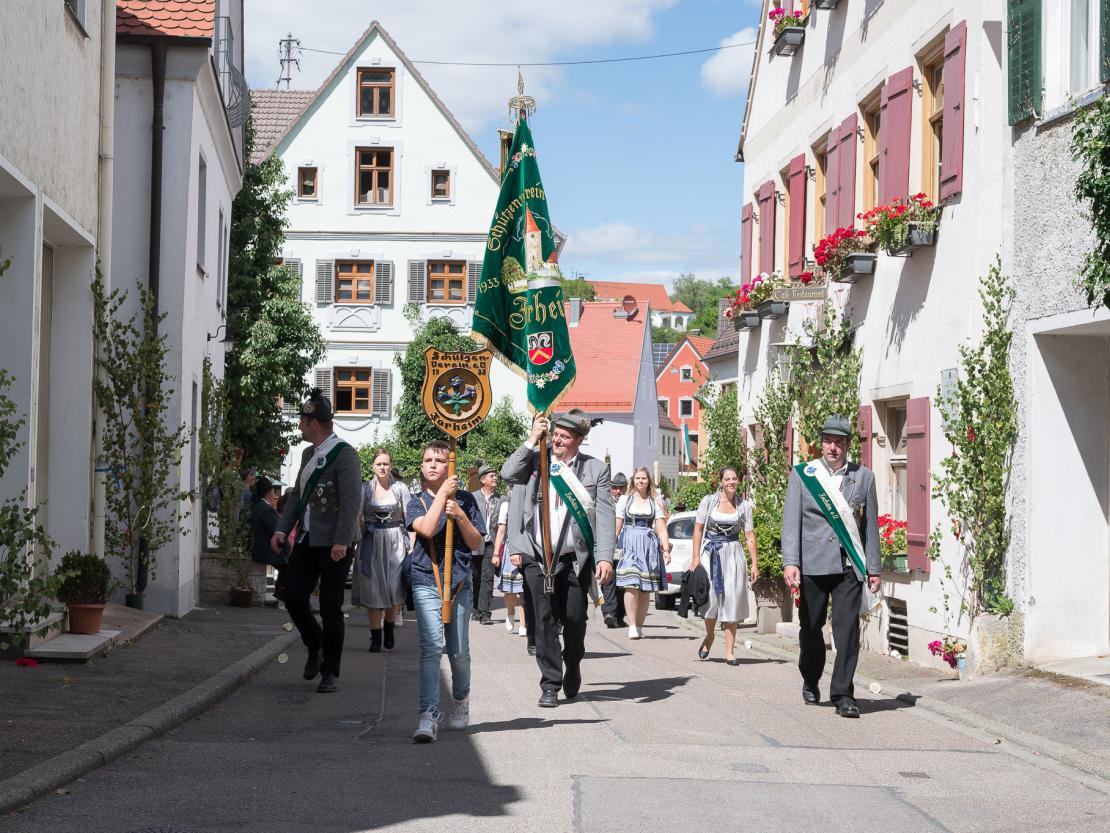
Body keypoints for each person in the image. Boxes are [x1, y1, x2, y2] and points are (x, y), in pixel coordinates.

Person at [501, 409, 616, 708]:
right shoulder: (536, 459)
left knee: (576, 620)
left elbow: (604, 516)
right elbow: (507, 473)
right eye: (556, 435)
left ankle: (573, 662)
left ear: (579, 440)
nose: (558, 440)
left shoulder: (594, 470)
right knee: (544, 621)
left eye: (565, 437)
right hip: (537, 557)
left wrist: (604, 557)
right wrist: (531, 440)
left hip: (574, 558)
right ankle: (550, 683)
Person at [782, 414, 881, 718]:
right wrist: (791, 562)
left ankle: (843, 694)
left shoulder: (864, 478)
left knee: (847, 630)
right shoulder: (803, 475)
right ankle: (811, 677)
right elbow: (792, 522)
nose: (833, 447)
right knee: (811, 628)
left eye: (839, 442)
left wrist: (874, 568)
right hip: (812, 564)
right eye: (828, 441)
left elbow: (870, 527)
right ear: (821, 443)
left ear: (848, 445)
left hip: (848, 565)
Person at [271, 389, 362, 694]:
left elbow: (351, 502)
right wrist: (282, 529)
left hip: (335, 542)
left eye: (302, 419)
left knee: (330, 606)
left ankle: (330, 671)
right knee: (293, 597)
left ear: (313, 423)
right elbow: (297, 496)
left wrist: (342, 541)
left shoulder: (345, 454)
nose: (299, 424)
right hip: (309, 538)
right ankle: (315, 643)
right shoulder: (309, 455)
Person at [406, 440, 486, 743]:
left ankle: (462, 699)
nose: (432, 465)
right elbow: (425, 529)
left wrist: (460, 516)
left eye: (439, 461)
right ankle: (428, 715)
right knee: (430, 648)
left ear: (449, 466)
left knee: (459, 651)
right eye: (427, 460)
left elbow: (476, 543)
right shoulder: (416, 501)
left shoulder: (465, 500)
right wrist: (441, 496)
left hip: (460, 582)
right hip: (427, 578)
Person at [689, 466, 759, 666]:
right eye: (727, 479)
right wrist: (695, 558)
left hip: (734, 554)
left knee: (732, 601)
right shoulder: (708, 502)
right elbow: (698, 530)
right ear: (720, 481)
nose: (731, 482)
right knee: (711, 600)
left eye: (734, 479)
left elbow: (750, 536)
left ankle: (729, 652)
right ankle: (710, 636)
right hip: (711, 553)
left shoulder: (744, 506)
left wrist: (754, 564)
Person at [353, 449, 410, 652]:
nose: (383, 467)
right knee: (372, 589)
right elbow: (357, 516)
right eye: (379, 464)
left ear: (391, 465)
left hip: (395, 540)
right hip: (371, 541)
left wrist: (410, 546)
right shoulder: (365, 489)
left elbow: (408, 519)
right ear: (373, 467)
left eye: (386, 463)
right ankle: (376, 636)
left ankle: (389, 626)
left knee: (394, 587)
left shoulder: (401, 488)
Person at [614, 467, 671, 639]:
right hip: (630, 544)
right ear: (633, 480)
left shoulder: (654, 503)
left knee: (646, 588)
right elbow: (617, 526)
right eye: (638, 478)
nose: (640, 481)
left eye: (644, 478)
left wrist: (666, 550)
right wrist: (609, 546)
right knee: (630, 584)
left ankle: (639, 625)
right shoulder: (625, 500)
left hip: (648, 546)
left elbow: (661, 529)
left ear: (649, 481)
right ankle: (631, 624)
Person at [471, 465, 505, 625]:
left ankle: (485, 613)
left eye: (495, 475)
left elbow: (502, 526)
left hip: (491, 542)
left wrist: (498, 551)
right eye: (492, 476)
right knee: (474, 576)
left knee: (487, 577)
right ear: (483, 480)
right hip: (473, 541)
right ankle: (476, 610)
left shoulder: (502, 499)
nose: (495, 478)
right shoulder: (472, 497)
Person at [490, 495, 526, 637]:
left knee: (524, 590)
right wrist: (496, 553)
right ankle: (511, 612)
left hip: (528, 548)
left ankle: (524, 623)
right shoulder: (506, 505)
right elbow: (501, 531)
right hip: (511, 548)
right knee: (510, 589)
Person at [249, 476, 285, 606]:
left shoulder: (256, 506)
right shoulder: (266, 509)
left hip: (258, 547)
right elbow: (277, 531)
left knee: (287, 562)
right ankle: (282, 593)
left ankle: (281, 592)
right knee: (290, 562)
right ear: (270, 493)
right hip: (264, 550)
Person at [601, 472, 629, 629]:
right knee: (608, 580)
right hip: (609, 546)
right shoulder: (605, 503)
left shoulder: (630, 502)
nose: (618, 491)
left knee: (623, 583)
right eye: (615, 488)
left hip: (626, 548)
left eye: (621, 488)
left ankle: (619, 616)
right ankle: (609, 613)